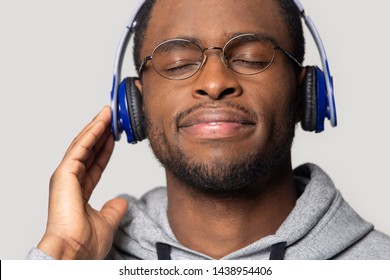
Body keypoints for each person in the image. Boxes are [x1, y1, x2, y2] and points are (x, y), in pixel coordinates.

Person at [26, 0, 390, 260]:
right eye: (179, 62)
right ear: (134, 106)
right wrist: (63, 257)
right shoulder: (77, 264)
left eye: (250, 57)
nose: (215, 82)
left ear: (306, 93)